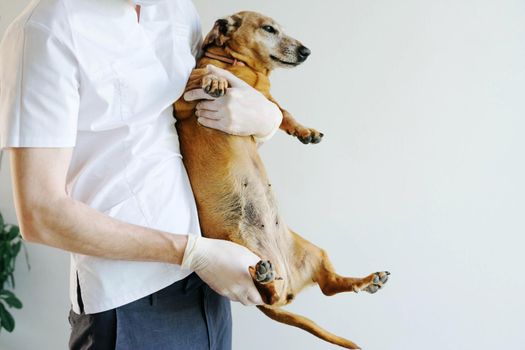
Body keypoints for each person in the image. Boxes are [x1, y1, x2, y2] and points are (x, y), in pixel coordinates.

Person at [0, 0, 282, 349]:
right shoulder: (45, 29)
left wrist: (265, 121)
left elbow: (200, 127)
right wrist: (193, 252)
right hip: (129, 301)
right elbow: (40, 213)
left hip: (212, 281)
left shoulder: (176, 10)